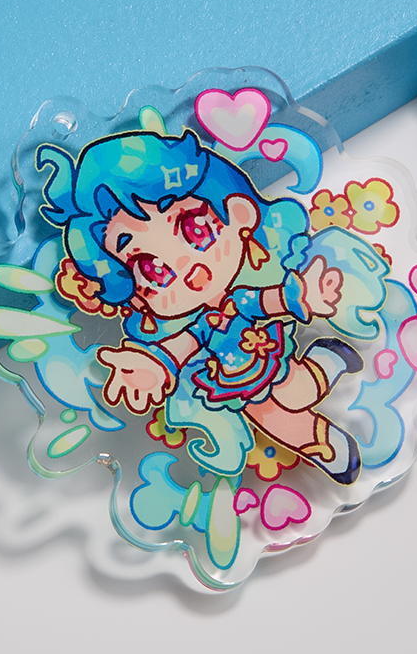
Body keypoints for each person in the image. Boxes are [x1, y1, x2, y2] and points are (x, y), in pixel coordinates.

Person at [37, 126, 363, 484]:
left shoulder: (241, 298)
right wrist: (155, 367)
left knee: (298, 390)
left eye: (196, 230)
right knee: (271, 418)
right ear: (137, 299)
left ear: (238, 212)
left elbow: (266, 301)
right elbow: (180, 347)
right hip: (231, 380)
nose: (188, 270)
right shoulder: (199, 327)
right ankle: (323, 446)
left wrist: (300, 296)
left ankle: (326, 362)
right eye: (152, 270)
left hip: (266, 353)